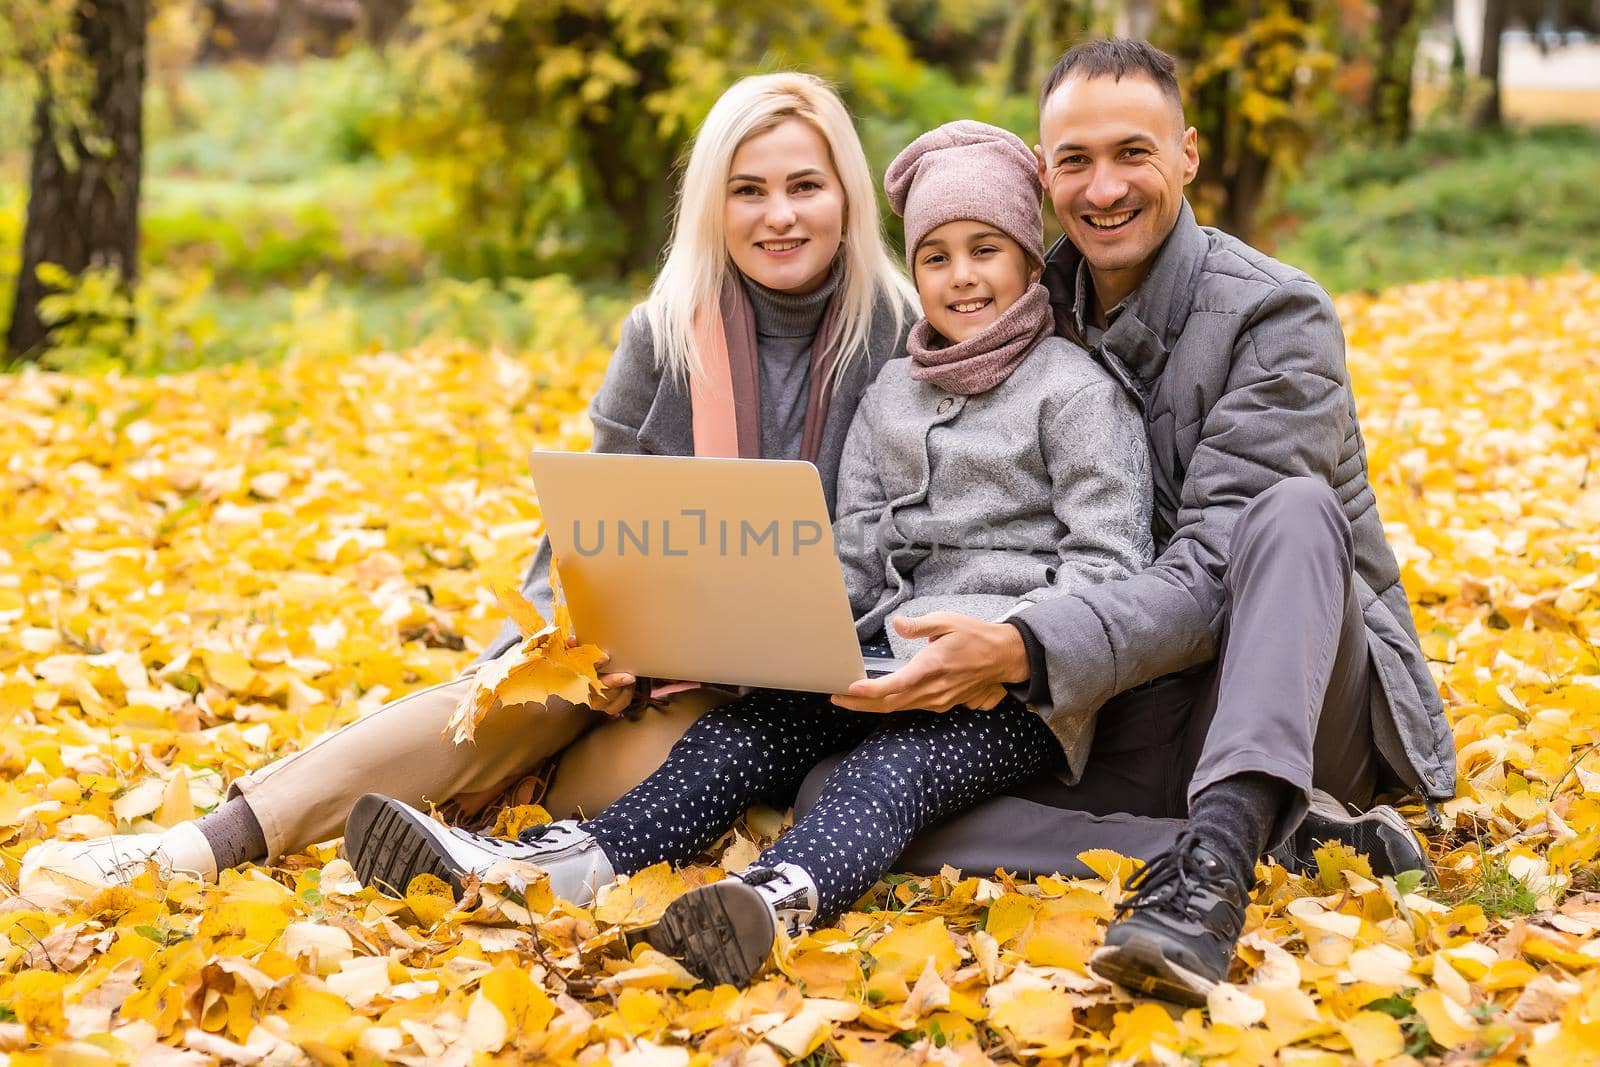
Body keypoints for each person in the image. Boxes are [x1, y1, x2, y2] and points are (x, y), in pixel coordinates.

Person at [19, 72, 915, 900]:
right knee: (502, 703)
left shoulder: (901, 341)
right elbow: (578, 534)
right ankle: (197, 845)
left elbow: (912, 549)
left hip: (774, 703)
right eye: (748, 190)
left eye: (805, 185)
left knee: (634, 778)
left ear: (846, 195)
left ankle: (462, 824)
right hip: (628, 662)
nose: (779, 216)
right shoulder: (663, 337)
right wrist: (585, 640)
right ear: (712, 206)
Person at [342, 120, 1156, 988]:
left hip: (1007, 694)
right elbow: (858, 548)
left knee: (888, 771)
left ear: (1032, 261)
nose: (961, 276)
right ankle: (548, 866)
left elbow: (1108, 568)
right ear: (914, 272)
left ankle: (774, 898)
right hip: (883, 662)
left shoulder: (1077, 393)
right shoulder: (895, 391)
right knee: (737, 736)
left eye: (986, 250)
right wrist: (786, 634)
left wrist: (1009, 650)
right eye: (937, 257)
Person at [810, 38, 1453, 1006]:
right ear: (1042, 174)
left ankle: (1211, 880)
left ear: (1186, 154)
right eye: (1073, 161)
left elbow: (1209, 571)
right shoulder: (1021, 304)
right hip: (1126, 702)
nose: (1103, 187)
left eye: (1131, 153)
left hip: (1294, 689)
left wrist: (1019, 644)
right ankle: (1248, 837)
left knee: (1292, 512)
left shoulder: (1277, 316)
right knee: (842, 799)